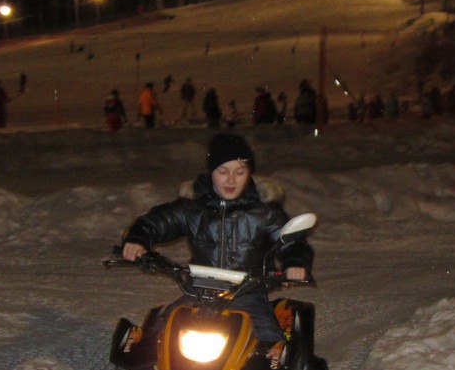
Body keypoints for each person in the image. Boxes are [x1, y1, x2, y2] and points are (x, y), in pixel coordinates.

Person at [119, 133, 313, 345]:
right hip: (199, 292)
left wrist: (295, 263)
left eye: (240, 172)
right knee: (157, 333)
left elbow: (291, 242)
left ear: (249, 173)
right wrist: (137, 239)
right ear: (212, 171)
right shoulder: (192, 207)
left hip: (247, 294)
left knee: (268, 342)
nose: (231, 180)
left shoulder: (265, 211)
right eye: (223, 171)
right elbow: (156, 222)